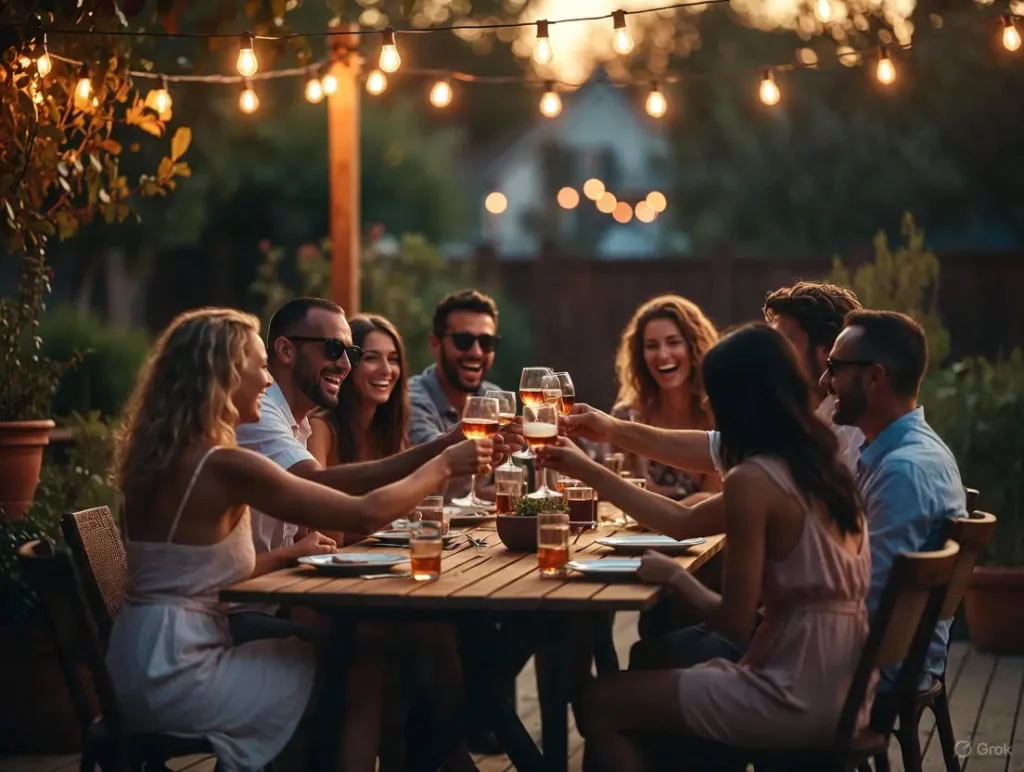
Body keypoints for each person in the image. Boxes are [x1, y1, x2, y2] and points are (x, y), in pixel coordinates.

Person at [105, 307, 492, 772]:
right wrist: (444, 465)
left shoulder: (160, 460)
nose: (268, 381)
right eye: (259, 365)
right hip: (180, 671)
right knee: (367, 671)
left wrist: (289, 553)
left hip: (136, 661)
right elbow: (362, 510)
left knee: (366, 658)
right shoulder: (224, 465)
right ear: (224, 374)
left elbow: (193, 572)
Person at [537, 324, 874, 770]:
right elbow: (683, 522)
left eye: (715, 392)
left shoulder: (754, 480)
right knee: (643, 683)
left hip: (791, 690)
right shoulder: (823, 464)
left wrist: (677, 578)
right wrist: (590, 470)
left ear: (738, 401)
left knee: (600, 700)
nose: (710, 403)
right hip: (848, 686)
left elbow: (734, 621)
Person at [821, 309, 966, 690]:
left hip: (870, 673)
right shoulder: (899, 453)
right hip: (882, 660)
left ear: (873, 378)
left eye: (834, 367)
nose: (825, 381)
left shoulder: (904, 472)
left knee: (679, 655)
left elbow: (870, 608)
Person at [608, 295, 721, 502]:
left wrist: (657, 496)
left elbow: (715, 500)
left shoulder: (719, 414)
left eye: (673, 342)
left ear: (695, 347)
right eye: (651, 346)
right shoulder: (626, 416)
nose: (662, 355)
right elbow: (624, 497)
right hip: (636, 534)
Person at [308, 314, 409, 545]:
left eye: (393, 359)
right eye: (372, 358)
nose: (386, 370)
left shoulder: (390, 428)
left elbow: (408, 506)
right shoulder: (321, 427)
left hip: (380, 558)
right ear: (347, 364)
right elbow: (317, 525)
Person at [408, 289, 505, 503]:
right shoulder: (411, 398)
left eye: (486, 343)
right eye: (464, 341)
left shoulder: (495, 398)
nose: (477, 352)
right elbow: (432, 467)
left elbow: (501, 484)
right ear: (435, 343)